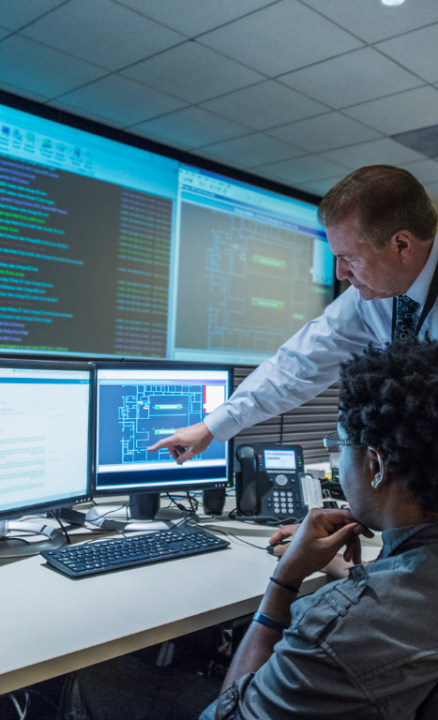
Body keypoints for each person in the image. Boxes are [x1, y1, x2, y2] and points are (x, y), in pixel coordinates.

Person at [201, 337, 438, 719]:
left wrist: (285, 579)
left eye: (338, 444)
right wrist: (363, 573)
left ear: (375, 465)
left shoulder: (334, 628)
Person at [150, 165, 438, 463]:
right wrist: (212, 426)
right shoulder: (373, 296)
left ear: (401, 245)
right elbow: (298, 365)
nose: (340, 272)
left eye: (349, 258)